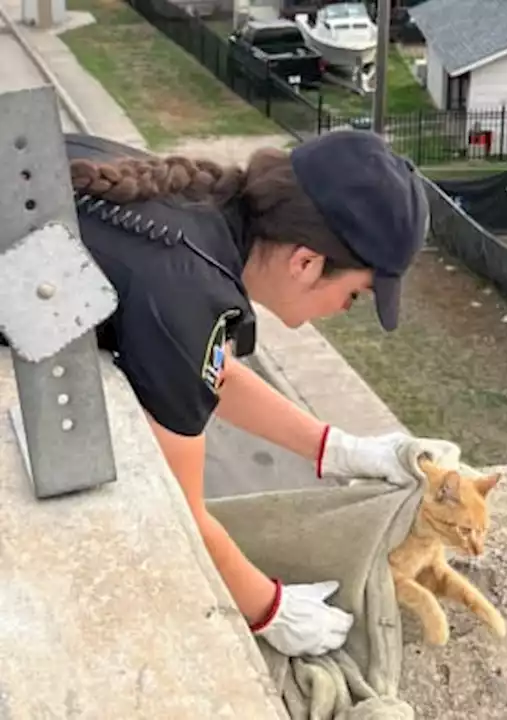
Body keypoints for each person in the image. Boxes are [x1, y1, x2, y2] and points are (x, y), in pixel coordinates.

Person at [58, 129, 435, 659]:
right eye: (352, 296)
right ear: (306, 263)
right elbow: (183, 509)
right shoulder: (188, 294)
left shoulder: (195, 214)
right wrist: (269, 609)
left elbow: (210, 369)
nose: (343, 310)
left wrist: (336, 448)